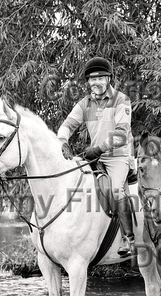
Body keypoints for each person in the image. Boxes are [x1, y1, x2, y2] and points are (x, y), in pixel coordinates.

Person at [57, 57, 136, 257]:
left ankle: (129, 239)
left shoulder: (121, 99)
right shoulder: (85, 104)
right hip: (96, 158)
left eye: (100, 77)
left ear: (109, 78)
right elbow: (67, 126)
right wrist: (63, 142)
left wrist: (99, 148)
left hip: (118, 156)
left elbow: (121, 134)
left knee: (116, 190)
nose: (96, 82)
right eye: (92, 79)